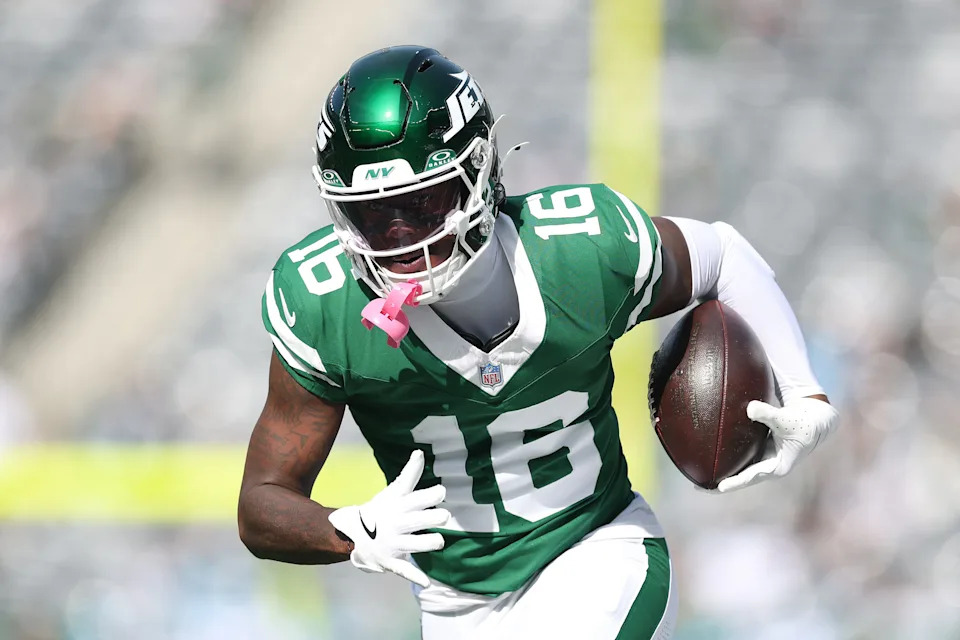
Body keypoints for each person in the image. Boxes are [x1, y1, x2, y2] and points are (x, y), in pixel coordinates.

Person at [237, 45, 838, 639]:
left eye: (421, 204)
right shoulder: (324, 303)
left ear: (479, 172)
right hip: (453, 606)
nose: (400, 241)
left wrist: (806, 392)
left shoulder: (579, 251)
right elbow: (262, 503)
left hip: (597, 552)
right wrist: (349, 530)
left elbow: (721, 256)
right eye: (372, 216)